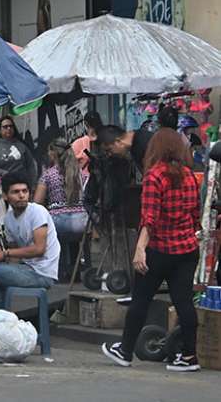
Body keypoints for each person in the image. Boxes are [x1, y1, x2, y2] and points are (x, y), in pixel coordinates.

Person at [102, 129, 201, 372]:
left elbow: (149, 219)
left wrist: (140, 249)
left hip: (159, 250)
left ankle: (125, 350)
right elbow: (195, 215)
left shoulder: (154, 176)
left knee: (141, 300)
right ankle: (189, 356)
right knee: (184, 302)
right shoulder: (190, 176)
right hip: (187, 250)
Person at [0, 172, 60, 310]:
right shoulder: (9, 218)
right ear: (5, 196)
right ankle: (0, 318)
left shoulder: (37, 212)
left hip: (42, 274)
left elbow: (39, 249)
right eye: (15, 192)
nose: (21, 195)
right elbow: (15, 255)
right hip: (27, 268)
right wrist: (0, 262)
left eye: (25, 191)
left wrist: (4, 254)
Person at [34, 138, 89, 280]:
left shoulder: (48, 175)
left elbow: (37, 203)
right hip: (82, 223)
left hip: (58, 223)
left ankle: (61, 271)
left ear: (53, 155)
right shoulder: (82, 174)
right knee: (74, 237)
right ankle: (76, 272)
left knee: (56, 234)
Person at [0, 116, 38, 188]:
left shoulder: (22, 145)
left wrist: (32, 185)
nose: (9, 128)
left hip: (21, 185)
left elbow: (31, 166)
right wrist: (2, 173)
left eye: (11, 126)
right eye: (5, 127)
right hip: (2, 185)